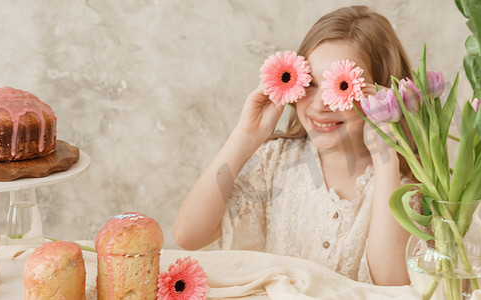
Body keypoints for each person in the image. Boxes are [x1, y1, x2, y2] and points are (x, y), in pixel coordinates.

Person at [173, 6, 414, 286]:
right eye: (310, 83)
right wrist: (245, 135)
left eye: (342, 86)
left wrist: (385, 154)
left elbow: (392, 283)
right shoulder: (274, 163)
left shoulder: (406, 183)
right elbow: (188, 235)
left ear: (382, 92)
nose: (321, 105)